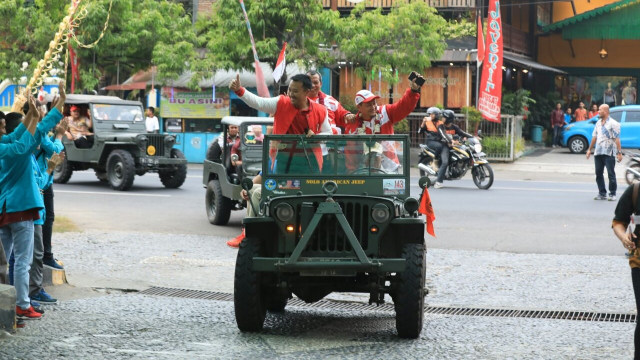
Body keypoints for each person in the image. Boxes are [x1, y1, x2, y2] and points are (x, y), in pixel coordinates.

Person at [0, 86, 65, 320]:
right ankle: (21, 304)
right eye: (1, 127)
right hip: (19, 210)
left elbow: (22, 135)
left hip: (6, 210)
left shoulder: (6, 143)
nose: (4, 131)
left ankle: (12, 304)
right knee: (22, 263)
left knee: (6, 263)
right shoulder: (9, 150)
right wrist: (52, 114)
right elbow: (29, 138)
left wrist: (34, 116)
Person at [428, 109, 475, 189]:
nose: (442, 118)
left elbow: (462, 133)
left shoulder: (454, 127)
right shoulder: (441, 126)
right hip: (444, 146)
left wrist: (473, 137)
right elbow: (444, 135)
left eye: (444, 117)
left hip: (453, 146)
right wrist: (451, 141)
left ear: (449, 119)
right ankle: (438, 182)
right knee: (445, 162)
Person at [586, 104, 622, 201]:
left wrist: (619, 152)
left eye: (600, 110)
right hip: (598, 152)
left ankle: (612, 193)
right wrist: (589, 149)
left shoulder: (614, 124)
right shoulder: (598, 123)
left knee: (611, 174)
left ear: (605, 111)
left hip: (609, 152)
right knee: (598, 173)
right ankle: (602, 193)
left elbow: (617, 139)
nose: (598, 111)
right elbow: (594, 137)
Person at [306, 70, 354, 134]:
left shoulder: (329, 100)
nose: (312, 85)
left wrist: (348, 115)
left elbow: (342, 114)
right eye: (309, 82)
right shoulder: (299, 102)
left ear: (321, 84)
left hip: (332, 140)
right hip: (309, 140)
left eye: (315, 82)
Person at [226, 172, 262, 248]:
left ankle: (250, 230)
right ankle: (246, 231)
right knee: (249, 190)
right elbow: (260, 176)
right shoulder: (270, 161)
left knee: (257, 193)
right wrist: (246, 188)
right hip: (273, 186)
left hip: (284, 187)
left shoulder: (281, 161)